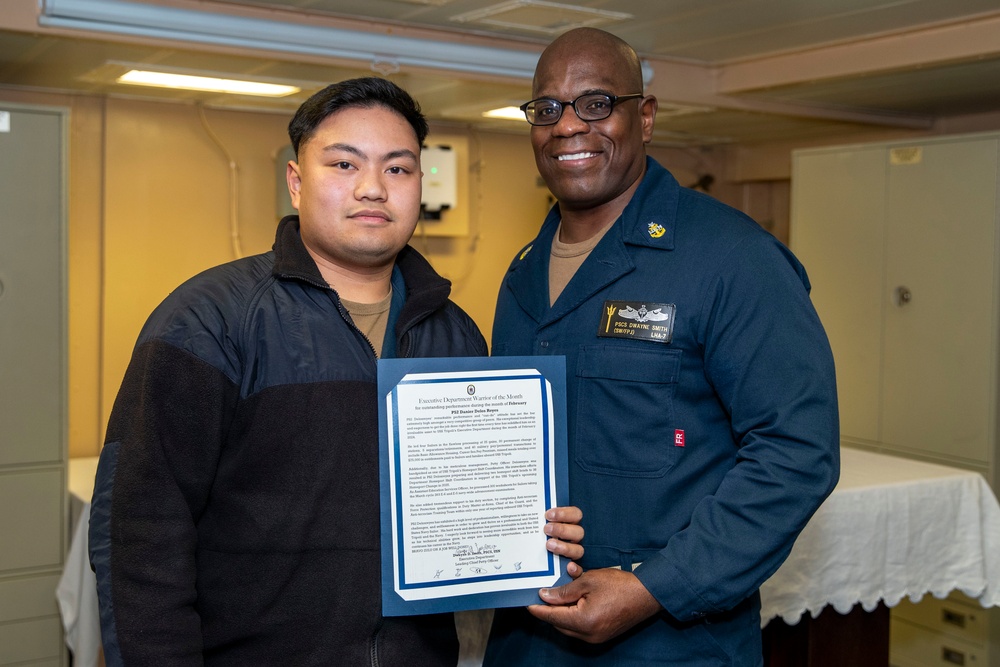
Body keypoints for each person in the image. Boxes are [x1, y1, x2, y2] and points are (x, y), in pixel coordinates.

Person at [89, 76, 583, 666]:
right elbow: (140, 538)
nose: (373, 188)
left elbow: (466, 506)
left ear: (419, 185)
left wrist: (532, 533)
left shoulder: (454, 333)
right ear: (296, 183)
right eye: (345, 165)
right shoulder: (207, 323)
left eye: (398, 169)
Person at [483, 28, 840, 666]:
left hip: (671, 643)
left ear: (644, 118)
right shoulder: (522, 273)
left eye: (596, 104)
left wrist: (656, 587)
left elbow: (796, 451)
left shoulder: (732, 258)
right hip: (528, 638)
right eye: (548, 108)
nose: (568, 126)